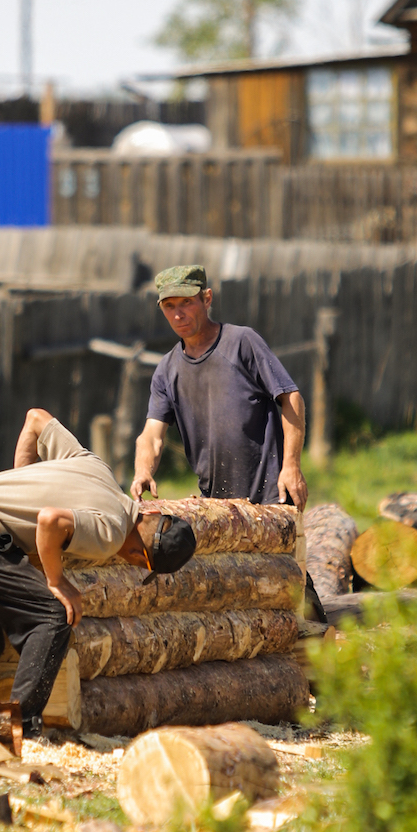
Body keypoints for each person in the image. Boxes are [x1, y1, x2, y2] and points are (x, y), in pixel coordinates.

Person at [0, 407, 197, 726]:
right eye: (138, 563)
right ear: (138, 555)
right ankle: (21, 727)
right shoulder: (112, 533)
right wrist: (55, 580)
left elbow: (36, 419)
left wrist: (21, 485)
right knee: (52, 616)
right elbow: (50, 520)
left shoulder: (98, 469)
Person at [130, 263, 324, 620]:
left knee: (292, 593)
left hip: (270, 496)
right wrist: (143, 470)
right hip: (219, 507)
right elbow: (152, 434)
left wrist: (292, 466)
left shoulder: (241, 342)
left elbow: (290, 397)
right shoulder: (167, 370)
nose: (178, 313)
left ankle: (323, 660)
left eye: (185, 303)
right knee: (239, 604)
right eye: (169, 306)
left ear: (206, 299)